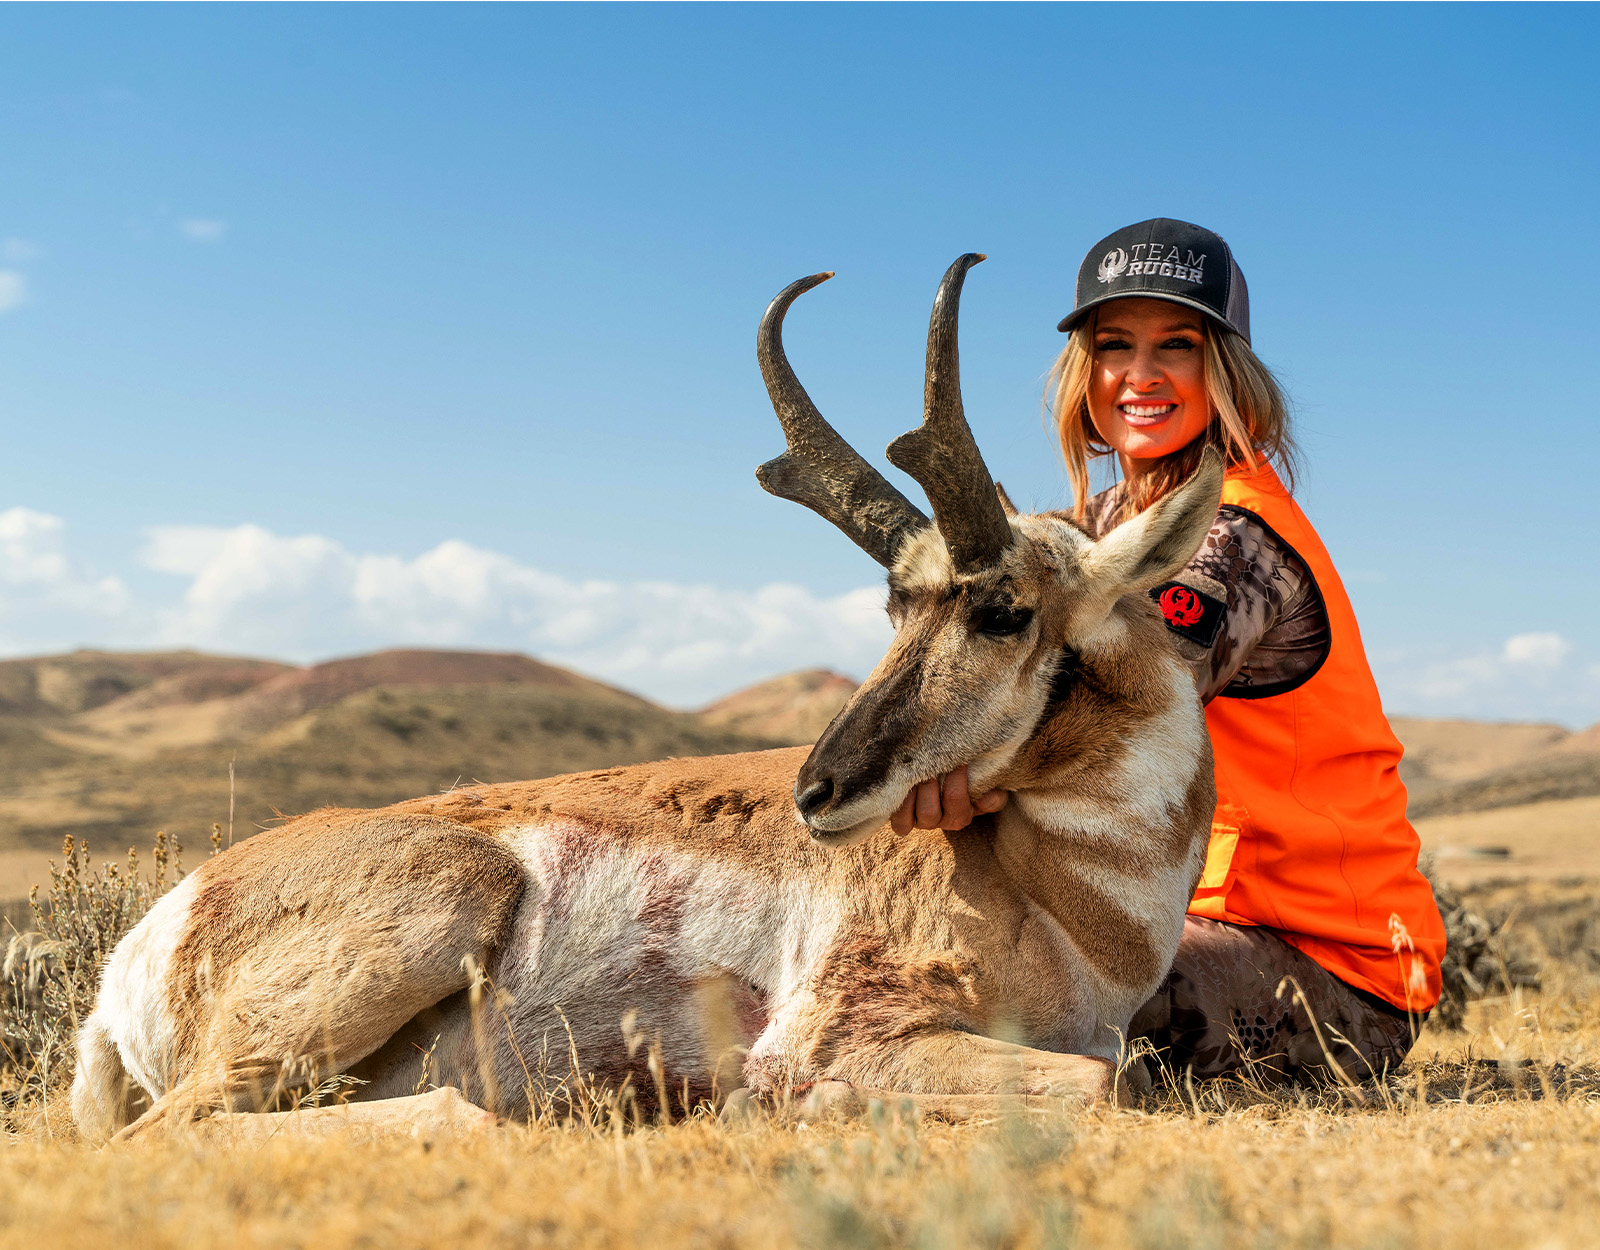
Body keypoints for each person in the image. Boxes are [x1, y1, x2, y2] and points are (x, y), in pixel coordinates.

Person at [894, 218, 1446, 1084]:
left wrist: (933, 766)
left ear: (1226, 370)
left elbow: (1092, 715)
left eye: (1177, 346)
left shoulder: (1236, 536)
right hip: (1167, 907)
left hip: (1325, 967)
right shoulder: (1096, 529)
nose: (1140, 376)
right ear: (1086, 373)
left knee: (1000, 991)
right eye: (1114, 345)